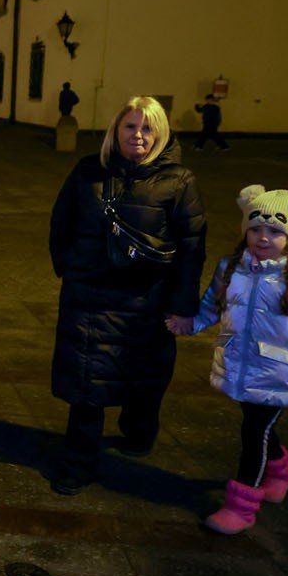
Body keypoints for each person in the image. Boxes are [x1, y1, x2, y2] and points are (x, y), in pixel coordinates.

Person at [47, 96, 207, 495]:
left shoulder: (179, 181)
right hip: (89, 296)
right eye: (130, 127)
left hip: (145, 301)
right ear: (115, 131)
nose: (138, 136)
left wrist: (183, 305)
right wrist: (69, 266)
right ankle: (79, 462)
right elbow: (61, 222)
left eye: (147, 128)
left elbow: (191, 246)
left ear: (161, 133)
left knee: (146, 375)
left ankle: (139, 432)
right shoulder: (90, 171)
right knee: (86, 383)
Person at [172, 185, 288, 534]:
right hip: (242, 366)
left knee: (254, 432)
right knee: (261, 427)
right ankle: (281, 472)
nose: (263, 237)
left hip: (281, 372)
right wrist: (189, 322)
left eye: (274, 230)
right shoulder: (232, 267)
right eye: (255, 228)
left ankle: (241, 507)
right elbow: (213, 305)